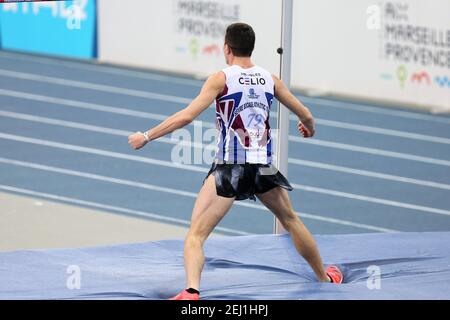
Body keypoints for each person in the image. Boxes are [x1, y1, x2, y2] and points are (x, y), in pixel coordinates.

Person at [128, 22, 343, 300]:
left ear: (226, 48)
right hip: (263, 166)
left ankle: (192, 290)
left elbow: (186, 117)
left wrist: (146, 136)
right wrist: (308, 127)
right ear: (251, 48)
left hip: (230, 169)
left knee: (196, 235)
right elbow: (306, 114)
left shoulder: (221, 78)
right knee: (291, 220)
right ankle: (324, 277)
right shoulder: (270, 79)